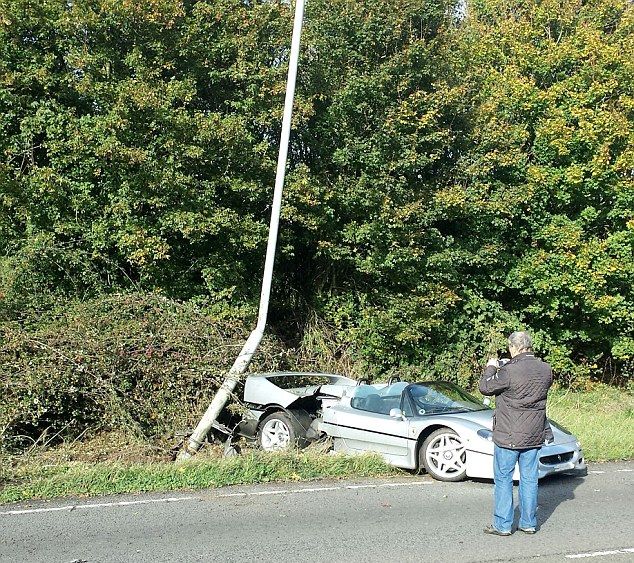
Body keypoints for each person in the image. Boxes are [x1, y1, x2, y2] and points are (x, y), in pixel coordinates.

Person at [479, 331, 554, 536]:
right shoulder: (546, 369)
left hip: (509, 434)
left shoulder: (509, 371)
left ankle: (503, 525)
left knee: (503, 478)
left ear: (514, 347)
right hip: (534, 433)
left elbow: (485, 388)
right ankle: (528, 523)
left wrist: (491, 368)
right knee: (529, 479)